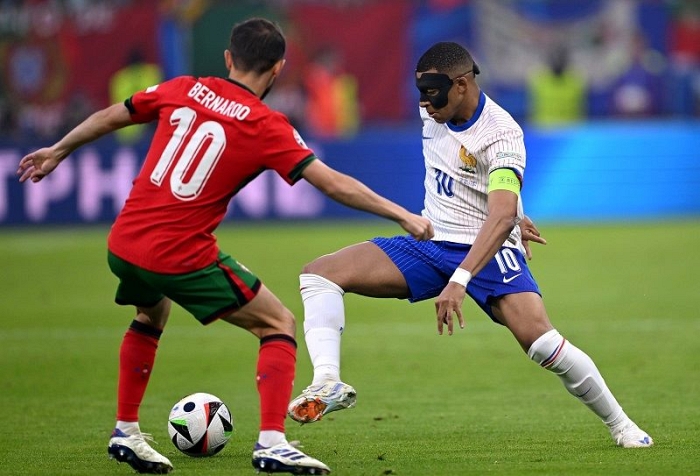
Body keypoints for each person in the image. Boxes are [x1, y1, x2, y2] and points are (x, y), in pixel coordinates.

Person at [17, 18, 433, 475]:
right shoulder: (265, 124)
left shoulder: (183, 88)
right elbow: (331, 183)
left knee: (150, 314)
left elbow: (113, 114)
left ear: (229, 58)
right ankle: (273, 442)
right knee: (278, 323)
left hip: (124, 241)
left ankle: (126, 430)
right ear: (278, 68)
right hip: (177, 252)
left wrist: (58, 149)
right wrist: (401, 214)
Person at [288, 41, 653, 450]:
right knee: (319, 274)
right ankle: (328, 382)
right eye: (421, 93)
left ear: (461, 85)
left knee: (541, 342)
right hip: (431, 241)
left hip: (487, 252)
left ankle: (622, 426)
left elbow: (500, 213)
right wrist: (517, 213)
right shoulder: (435, 112)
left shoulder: (500, 133)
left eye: (433, 93)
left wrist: (464, 275)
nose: (424, 104)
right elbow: (490, 193)